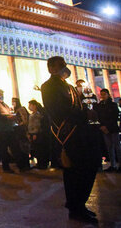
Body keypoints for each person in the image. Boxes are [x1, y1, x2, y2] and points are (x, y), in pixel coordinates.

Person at [41, 56, 100, 223]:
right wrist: (83, 114)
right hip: (67, 134)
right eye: (60, 65)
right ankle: (75, 207)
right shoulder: (49, 87)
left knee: (84, 169)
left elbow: (78, 105)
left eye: (64, 65)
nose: (64, 68)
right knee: (75, 172)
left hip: (80, 133)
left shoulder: (69, 86)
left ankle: (79, 204)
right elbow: (58, 109)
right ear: (51, 68)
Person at [95, 88, 121, 172]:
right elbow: (98, 116)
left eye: (104, 94)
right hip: (104, 128)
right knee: (109, 147)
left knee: (117, 147)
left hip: (112, 128)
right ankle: (113, 165)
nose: (102, 96)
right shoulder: (99, 105)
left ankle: (119, 164)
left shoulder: (113, 105)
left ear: (108, 95)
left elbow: (114, 117)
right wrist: (102, 125)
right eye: (101, 94)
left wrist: (106, 126)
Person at [27, 100, 49, 169]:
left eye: (30, 105)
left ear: (34, 105)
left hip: (35, 134)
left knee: (39, 149)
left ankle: (41, 164)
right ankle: (39, 163)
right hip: (32, 133)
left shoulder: (37, 114)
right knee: (36, 149)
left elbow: (36, 125)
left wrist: (35, 134)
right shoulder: (32, 114)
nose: (29, 107)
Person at [12, 97, 31, 171]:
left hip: (22, 130)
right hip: (18, 130)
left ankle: (26, 165)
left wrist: (21, 125)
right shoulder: (15, 110)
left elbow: (25, 120)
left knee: (24, 147)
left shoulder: (21, 109)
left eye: (14, 101)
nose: (13, 103)